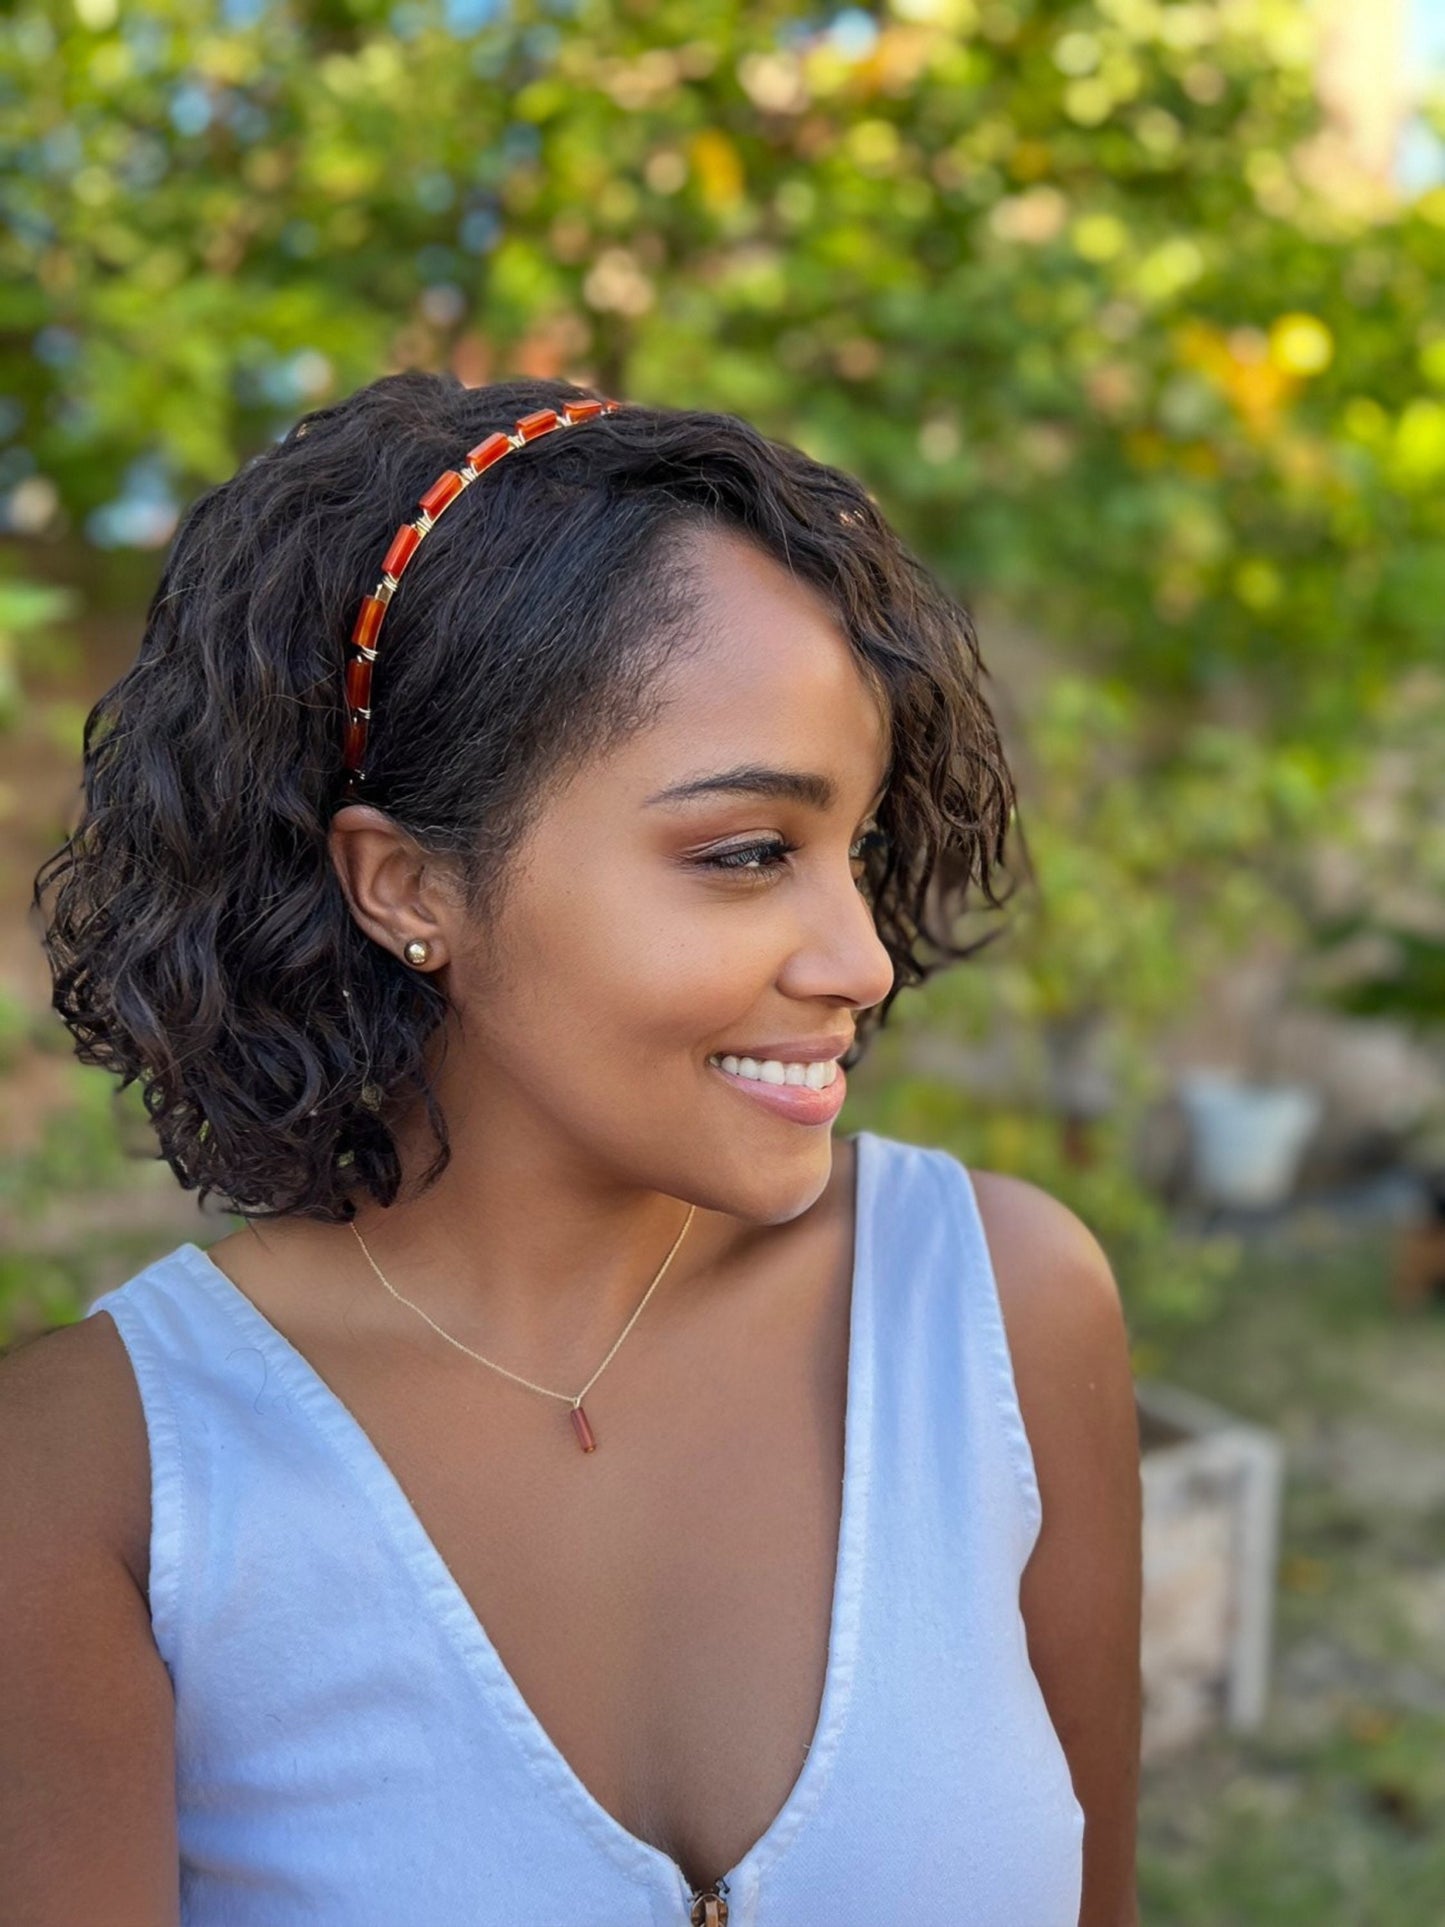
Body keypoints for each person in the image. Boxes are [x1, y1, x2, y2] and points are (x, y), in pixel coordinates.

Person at [4, 376, 1141, 1926]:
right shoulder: (102, 1482)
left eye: (856, 850)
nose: (862, 959)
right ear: (407, 885)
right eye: (746, 853)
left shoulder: (997, 1312)